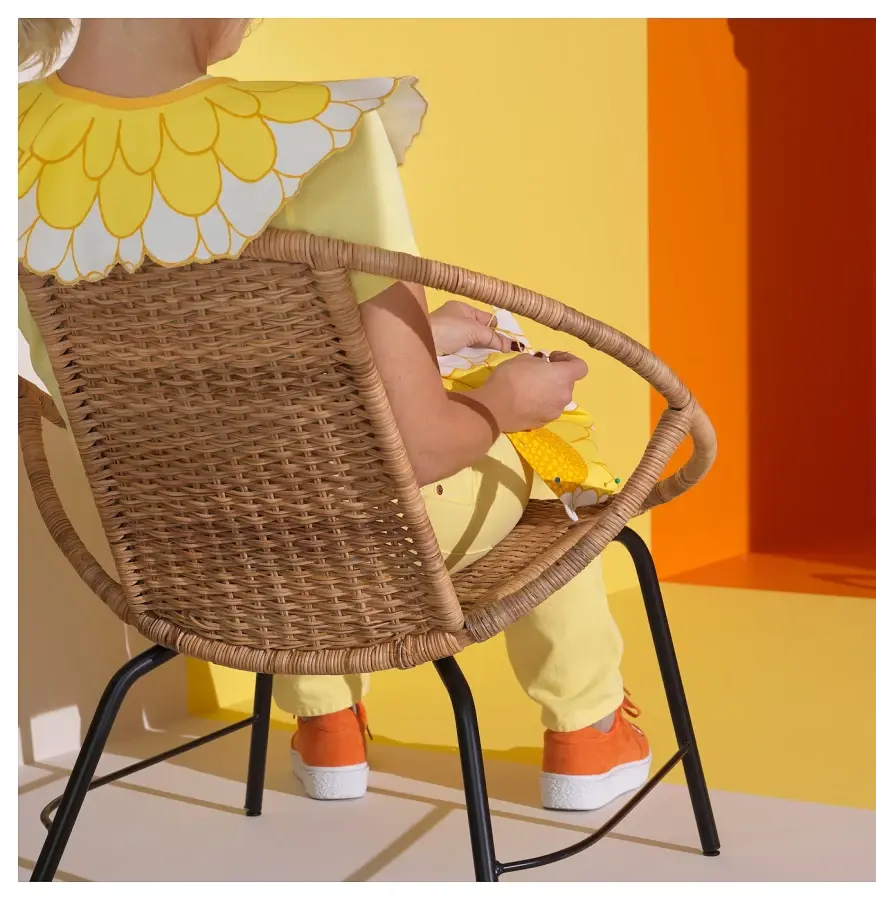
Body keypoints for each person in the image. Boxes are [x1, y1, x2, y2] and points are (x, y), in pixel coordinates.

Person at [18, 17, 650, 812]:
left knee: (273, 481)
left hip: (184, 550)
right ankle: (589, 733)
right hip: (375, 542)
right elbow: (422, 450)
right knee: (551, 455)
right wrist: (505, 401)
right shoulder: (318, 132)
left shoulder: (20, 141)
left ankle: (327, 726)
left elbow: (192, 389)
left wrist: (416, 344)